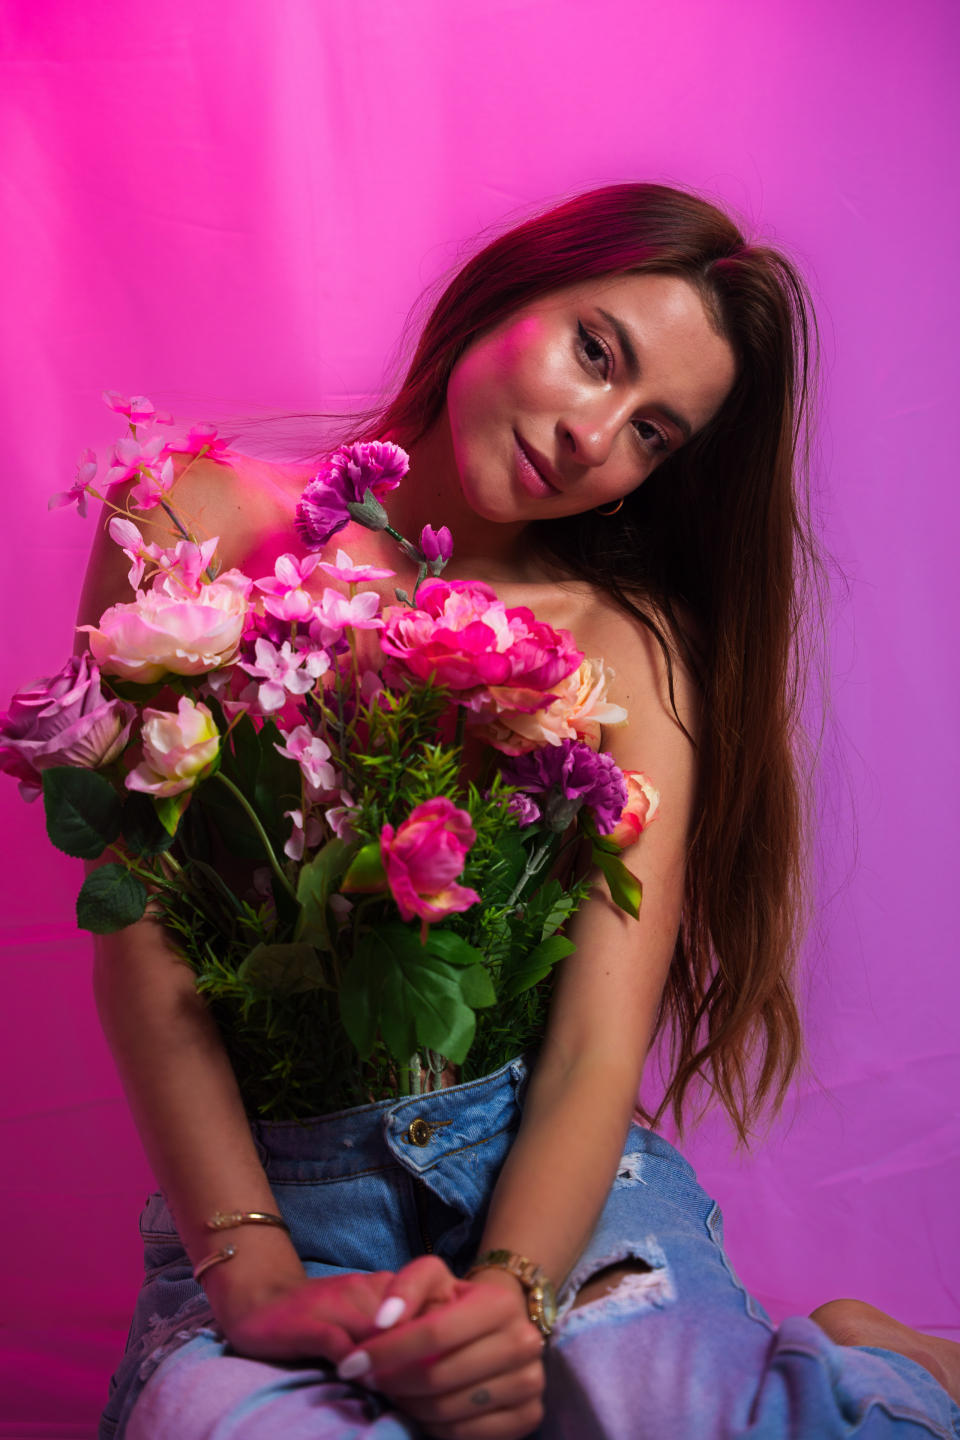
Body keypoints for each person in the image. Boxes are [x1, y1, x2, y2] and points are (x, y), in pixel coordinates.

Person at [80, 183, 960, 1440]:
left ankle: (872, 1367)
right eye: (596, 351)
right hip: (273, 1196)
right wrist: (256, 1274)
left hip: (550, 1196)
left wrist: (512, 1294)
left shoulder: (623, 651)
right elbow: (139, 925)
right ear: (509, 291)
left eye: (652, 432)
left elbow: (598, 1043)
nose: (593, 437)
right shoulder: (192, 521)